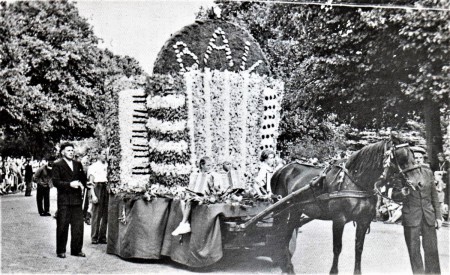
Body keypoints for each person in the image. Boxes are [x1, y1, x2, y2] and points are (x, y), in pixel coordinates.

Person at [392, 156, 442, 274]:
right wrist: (403, 192)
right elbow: (395, 195)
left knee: (432, 249)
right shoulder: (403, 175)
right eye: (416, 158)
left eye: (421, 157)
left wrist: (438, 217)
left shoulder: (428, 173)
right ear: (412, 159)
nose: (419, 160)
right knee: (414, 251)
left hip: (428, 216)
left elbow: (434, 195)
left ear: (423, 159)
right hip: (411, 216)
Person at [52, 142, 89, 259]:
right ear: (62, 152)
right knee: (62, 226)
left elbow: (83, 180)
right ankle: (61, 250)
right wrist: (69, 184)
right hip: (64, 200)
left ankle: (76, 249)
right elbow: (56, 182)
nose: (71, 152)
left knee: (78, 226)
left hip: (77, 200)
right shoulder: (57, 164)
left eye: (72, 150)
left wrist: (88, 184)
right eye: (68, 150)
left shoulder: (78, 164)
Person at [172, 156, 215, 236]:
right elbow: (191, 187)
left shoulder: (210, 176)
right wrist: (187, 192)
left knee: (188, 201)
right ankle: (186, 223)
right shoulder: (194, 175)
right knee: (182, 200)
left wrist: (209, 196)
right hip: (194, 195)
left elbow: (212, 190)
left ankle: (183, 224)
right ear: (202, 165)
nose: (210, 167)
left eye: (210, 165)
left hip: (205, 196)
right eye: (208, 165)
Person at [87, 150, 109, 244]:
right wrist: (93, 195)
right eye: (104, 153)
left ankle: (102, 236)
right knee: (96, 213)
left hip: (106, 187)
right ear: (99, 155)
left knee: (105, 214)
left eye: (107, 154)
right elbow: (91, 182)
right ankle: (94, 237)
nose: (106, 155)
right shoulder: (93, 166)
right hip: (97, 187)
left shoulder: (108, 166)